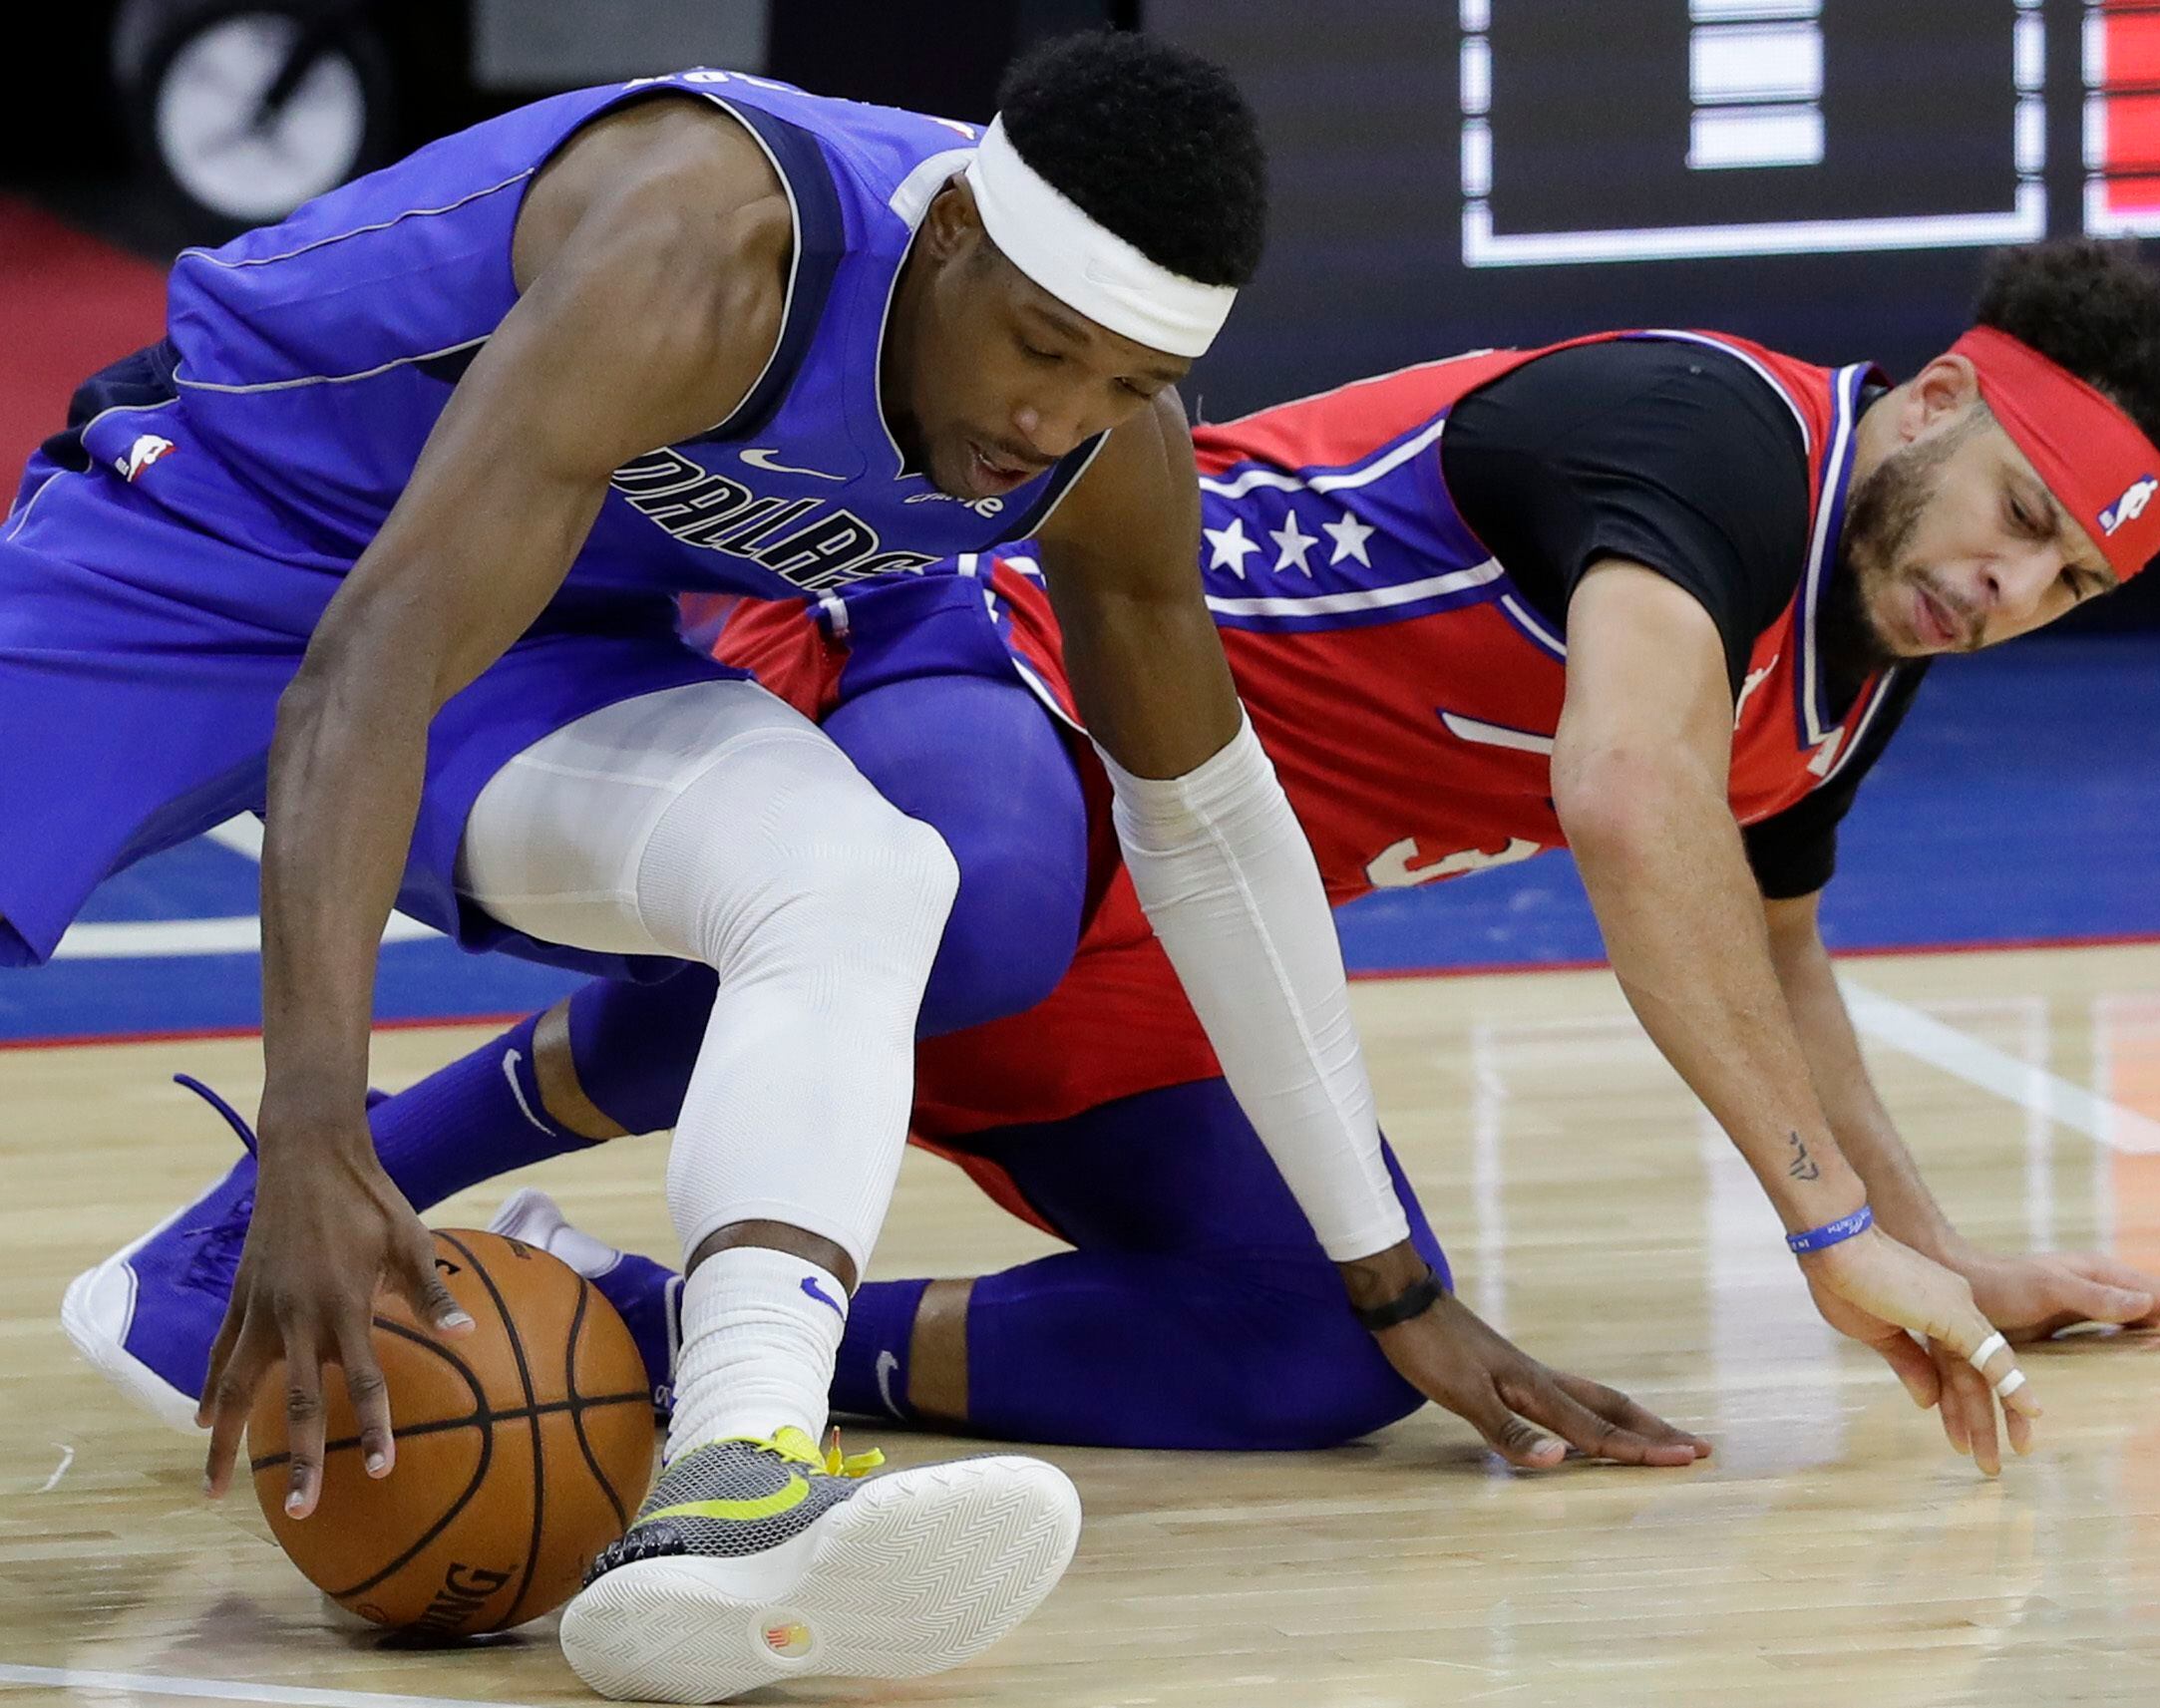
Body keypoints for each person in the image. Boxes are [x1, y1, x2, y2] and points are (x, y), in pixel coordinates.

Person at [76, 239, 2160, 1512]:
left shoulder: (1854, 666)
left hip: (1186, 902)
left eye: (2071, 576)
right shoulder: (1717, 435)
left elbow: (1778, 954)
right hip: (989, 658)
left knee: (1320, 1362)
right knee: (968, 894)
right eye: (2018, 508)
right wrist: (1821, 1231)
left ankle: (595, 1334)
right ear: (1941, 402)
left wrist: (1943, 1250)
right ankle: (250, 1219)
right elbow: (1629, 798)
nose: (2013, 581)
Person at [13, 33, 1617, 1702]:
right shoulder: (706, 241)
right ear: (948, 240)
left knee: (863, 876)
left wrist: (1392, 1275)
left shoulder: (1097, 438)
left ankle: (733, 1478)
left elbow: (1210, 830)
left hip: (535, 627)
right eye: (1044, 348)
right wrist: (315, 1130)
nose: (1054, 418)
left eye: (1126, 383)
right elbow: (363, 667)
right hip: (199, 537)